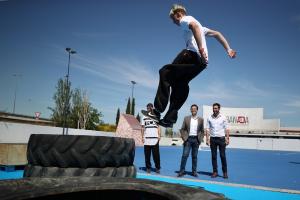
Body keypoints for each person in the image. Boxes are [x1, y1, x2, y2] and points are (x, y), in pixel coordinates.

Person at [141, 4, 236, 128]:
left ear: (178, 14)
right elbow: (217, 33)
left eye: (173, 19)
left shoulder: (185, 20)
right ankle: (169, 119)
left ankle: (157, 111)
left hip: (190, 55)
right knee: (180, 85)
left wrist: (201, 50)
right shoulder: (202, 27)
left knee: (165, 72)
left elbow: (194, 26)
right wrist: (228, 49)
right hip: (201, 64)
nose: (173, 22)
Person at [177, 104, 204, 177]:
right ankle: (181, 171)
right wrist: (184, 138)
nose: (193, 110)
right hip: (188, 140)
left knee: (194, 156)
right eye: (192, 109)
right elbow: (182, 129)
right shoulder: (186, 118)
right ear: (190, 110)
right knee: (184, 155)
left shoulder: (201, 119)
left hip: (196, 140)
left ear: (197, 110)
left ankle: (194, 171)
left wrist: (200, 139)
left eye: (195, 109)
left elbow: (202, 130)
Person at [205, 103, 230, 179]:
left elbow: (227, 128)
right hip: (213, 139)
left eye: (216, 108)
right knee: (213, 156)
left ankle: (225, 172)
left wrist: (227, 138)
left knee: (222, 156)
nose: (215, 109)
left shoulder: (223, 117)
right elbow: (207, 129)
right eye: (214, 108)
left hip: (221, 139)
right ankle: (215, 172)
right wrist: (207, 139)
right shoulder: (209, 118)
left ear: (219, 109)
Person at [141, 103, 161, 174]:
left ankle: (157, 168)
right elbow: (143, 128)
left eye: (150, 107)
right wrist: (142, 137)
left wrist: (159, 135)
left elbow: (158, 127)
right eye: (147, 108)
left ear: (152, 108)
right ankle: (148, 168)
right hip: (146, 139)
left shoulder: (156, 116)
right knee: (147, 155)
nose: (148, 109)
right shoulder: (143, 117)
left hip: (155, 139)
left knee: (156, 155)